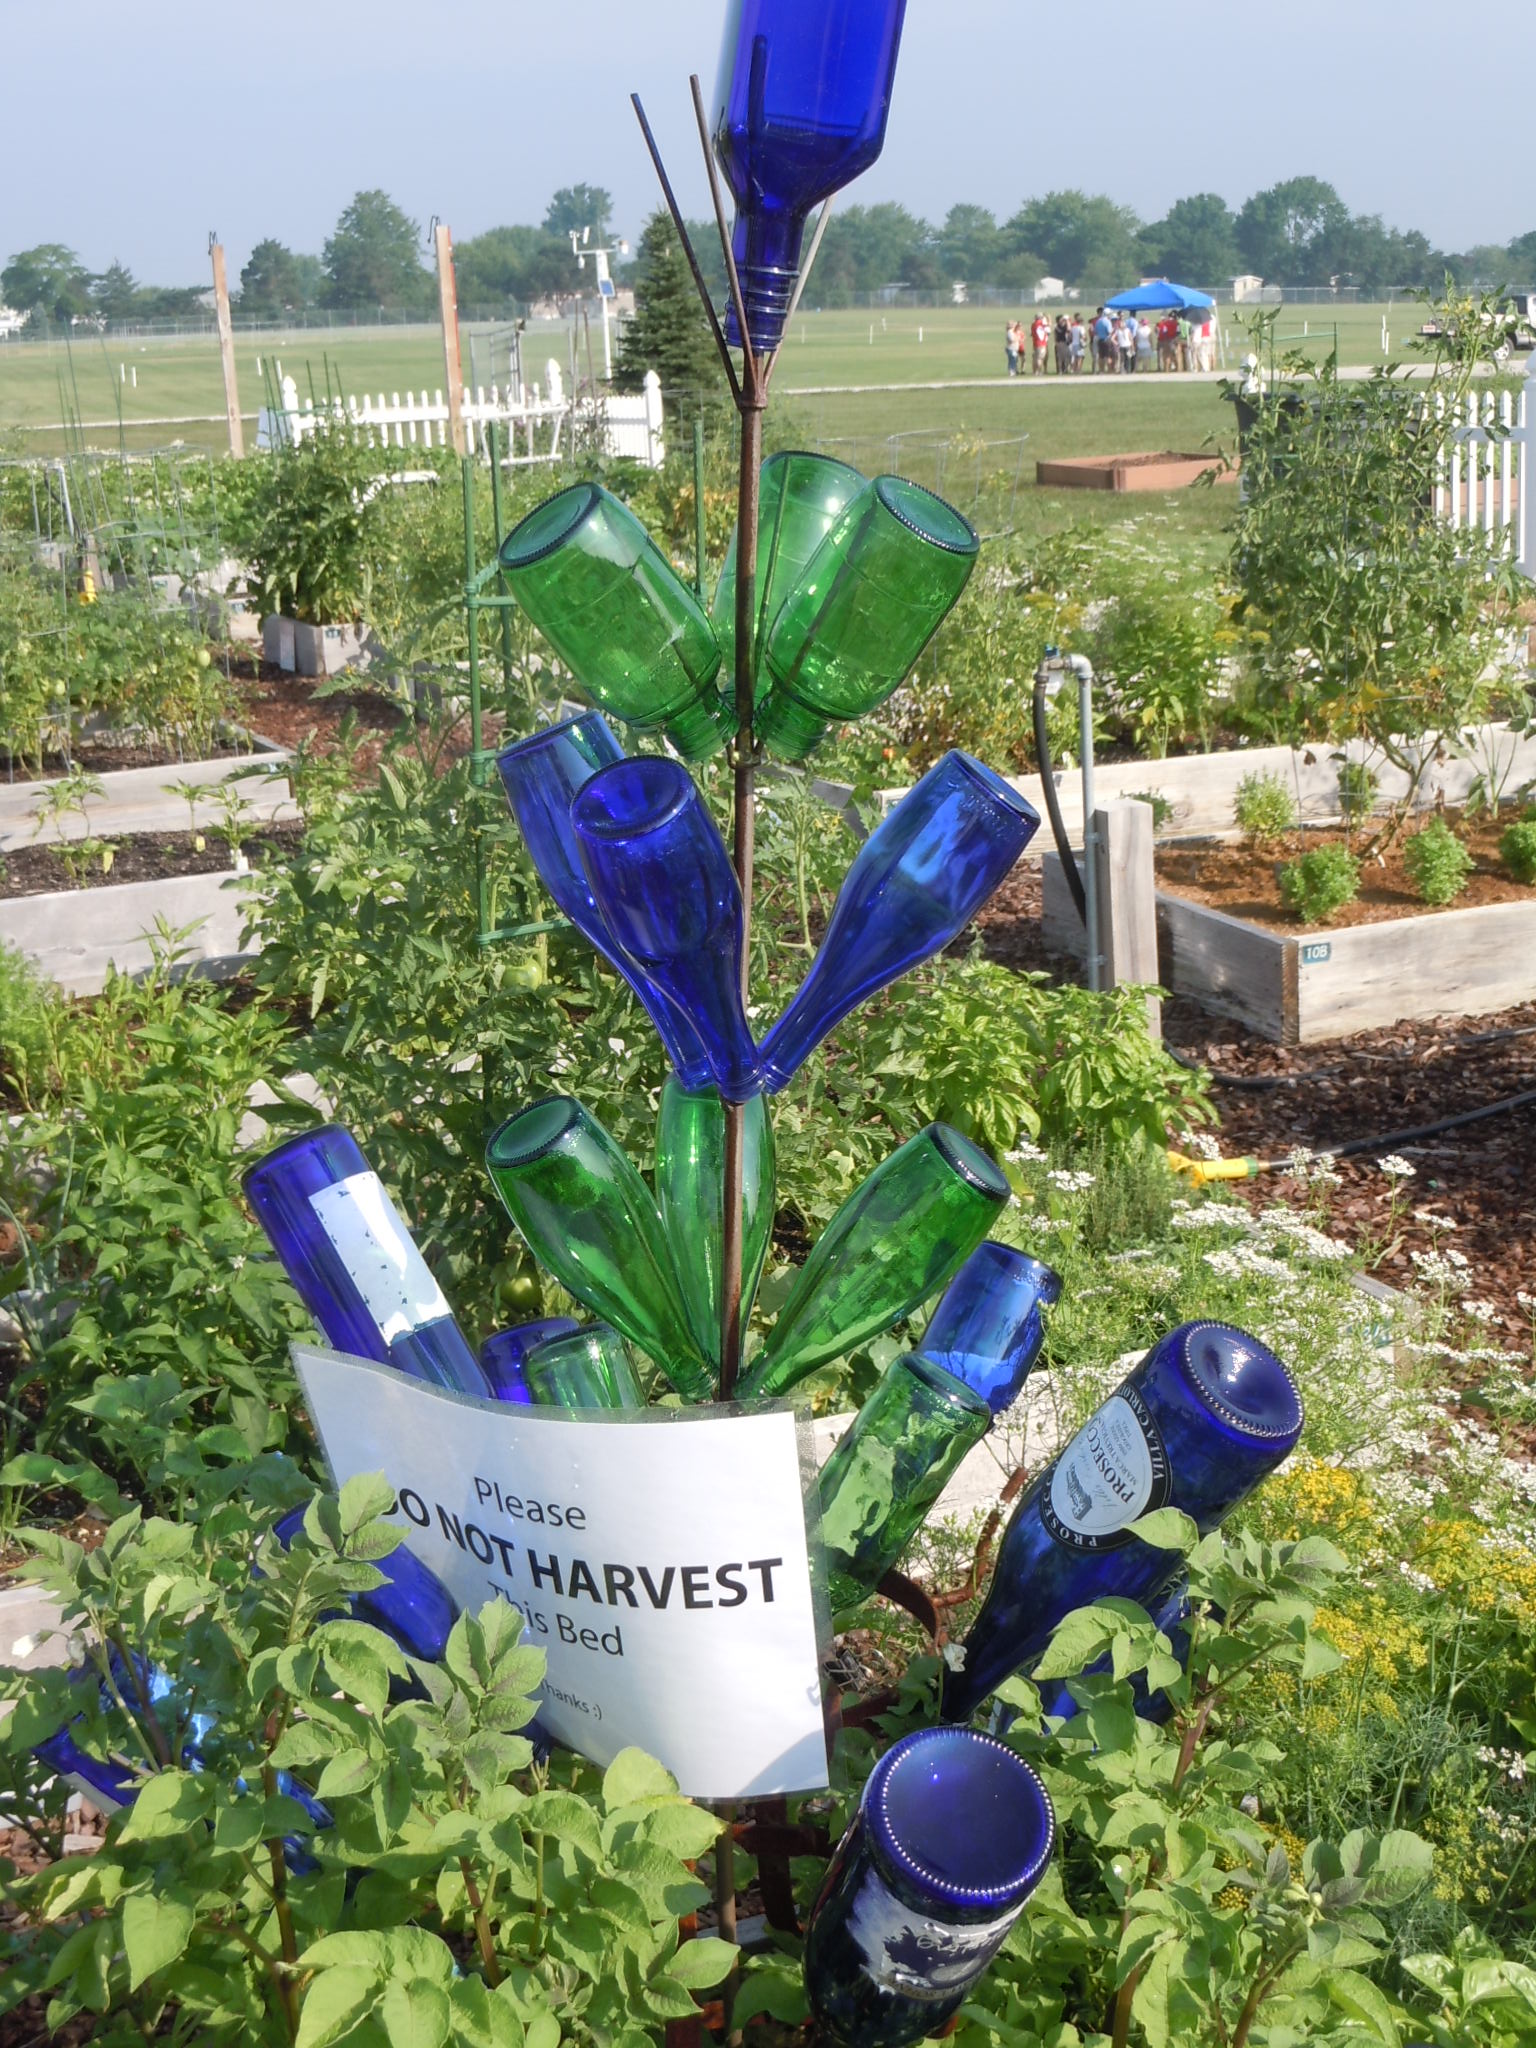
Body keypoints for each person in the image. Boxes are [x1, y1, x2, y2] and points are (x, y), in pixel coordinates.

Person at [1092, 305, 1114, 372]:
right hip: (1106, 340)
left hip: (1100, 340)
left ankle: (1101, 370)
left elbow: (1095, 331)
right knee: (1108, 356)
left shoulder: (1098, 321)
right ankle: (1110, 370)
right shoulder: (1107, 322)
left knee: (1101, 356)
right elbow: (1109, 332)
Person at [1031, 309, 1051, 374]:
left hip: (1035, 343)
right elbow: (1048, 330)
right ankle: (1039, 371)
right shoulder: (1042, 324)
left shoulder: (1033, 324)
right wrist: (1049, 319)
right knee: (1040, 358)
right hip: (1042, 343)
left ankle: (1035, 371)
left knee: (1035, 357)